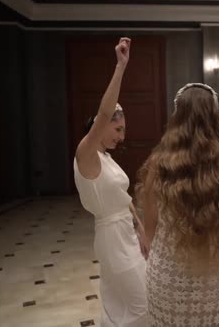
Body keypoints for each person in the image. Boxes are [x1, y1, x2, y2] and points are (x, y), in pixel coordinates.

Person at [137, 83, 219, 327]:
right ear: (216, 119)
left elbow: (149, 234)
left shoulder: (157, 167)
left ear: (175, 119)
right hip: (213, 278)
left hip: (166, 276)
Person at [73, 37, 148, 327]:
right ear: (100, 126)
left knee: (121, 303)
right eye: (117, 128)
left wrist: (141, 229)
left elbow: (124, 198)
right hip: (111, 239)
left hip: (125, 233)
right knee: (142, 303)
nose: (122, 136)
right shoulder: (86, 154)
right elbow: (104, 113)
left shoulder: (106, 159)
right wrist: (120, 67)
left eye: (124, 130)